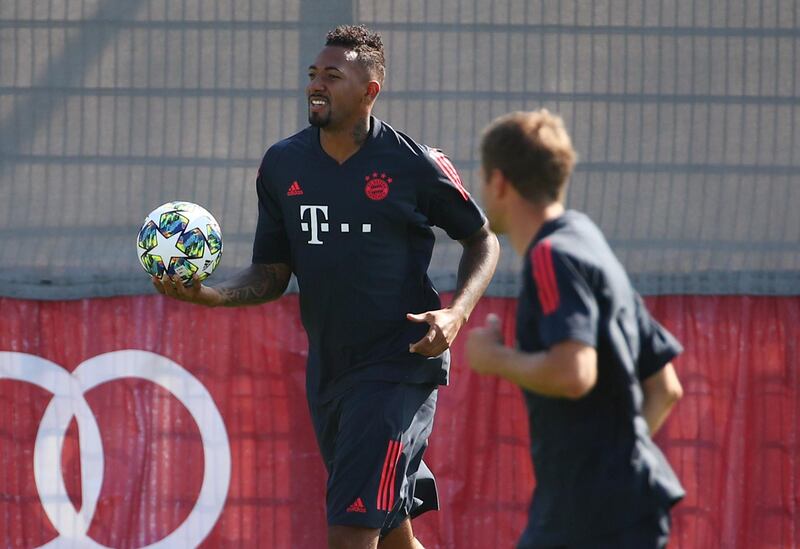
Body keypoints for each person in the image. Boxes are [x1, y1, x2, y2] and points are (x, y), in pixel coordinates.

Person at [154, 25, 499, 549]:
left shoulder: (414, 164)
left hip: (397, 367)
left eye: (332, 76)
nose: (316, 84)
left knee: (351, 529)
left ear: (370, 90)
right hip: (332, 370)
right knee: (392, 532)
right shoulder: (282, 164)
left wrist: (456, 314)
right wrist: (209, 294)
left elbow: (482, 240)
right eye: (313, 74)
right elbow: (271, 273)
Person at [465, 110, 684, 548]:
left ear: (500, 183)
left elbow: (573, 373)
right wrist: (614, 468)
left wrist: (495, 359)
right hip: (618, 505)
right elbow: (665, 387)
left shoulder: (551, 256)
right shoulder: (588, 241)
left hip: (587, 518)